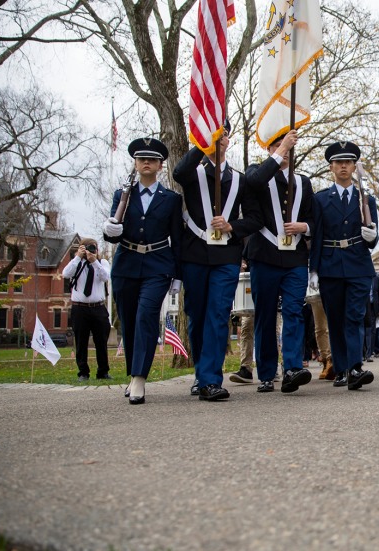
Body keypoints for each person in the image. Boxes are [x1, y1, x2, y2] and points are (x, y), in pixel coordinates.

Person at [173, 121, 265, 401]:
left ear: (228, 140)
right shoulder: (193, 173)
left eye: (223, 135)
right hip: (195, 254)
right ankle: (202, 374)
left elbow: (254, 219)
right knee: (198, 315)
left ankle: (212, 380)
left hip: (226, 255)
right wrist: (202, 144)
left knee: (218, 314)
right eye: (214, 135)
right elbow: (178, 172)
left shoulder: (240, 179)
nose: (219, 139)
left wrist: (231, 226)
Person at [102, 137, 182, 405]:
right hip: (126, 264)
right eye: (141, 159)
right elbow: (114, 235)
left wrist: (178, 277)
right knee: (129, 320)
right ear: (135, 163)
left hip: (157, 265)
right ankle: (132, 374)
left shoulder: (171, 199)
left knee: (146, 316)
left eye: (152, 159)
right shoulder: (121, 195)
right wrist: (110, 231)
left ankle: (139, 378)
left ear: (161, 165)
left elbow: (177, 238)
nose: (146, 162)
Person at [243, 130, 314, 393]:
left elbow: (314, 219)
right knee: (265, 314)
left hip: (295, 257)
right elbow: (255, 181)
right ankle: (266, 372)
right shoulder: (256, 174)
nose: (282, 149)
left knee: (294, 311)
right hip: (264, 255)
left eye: (286, 144)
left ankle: (293, 368)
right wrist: (279, 150)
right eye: (275, 144)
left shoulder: (303, 183)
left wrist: (304, 226)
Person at [308, 140, 376, 390]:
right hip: (330, 264)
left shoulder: (365, 199)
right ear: (331, 168)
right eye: (338, 162)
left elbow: (372, 236)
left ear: (354, 166)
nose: (343, 166)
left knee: (354, 316)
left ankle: (356, 366)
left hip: (358, 264)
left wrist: (373, 237)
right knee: (335, 319)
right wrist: (313, 269)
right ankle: (342, 368)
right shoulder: (321, 199)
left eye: (348, 162)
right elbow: (316, 236)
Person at [62, 238, 112, 381]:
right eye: (87, 247)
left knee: (101, 341)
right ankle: (83, 372)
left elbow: (105, 277)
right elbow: (65, 274)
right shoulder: (77, 264)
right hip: (80, 308)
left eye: (93, 247)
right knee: (81, 341)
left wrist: (94, 261)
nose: (91, 250)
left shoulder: (102, 263)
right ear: (81, 248)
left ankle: (103, 372)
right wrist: (78, 256)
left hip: (98, 307)